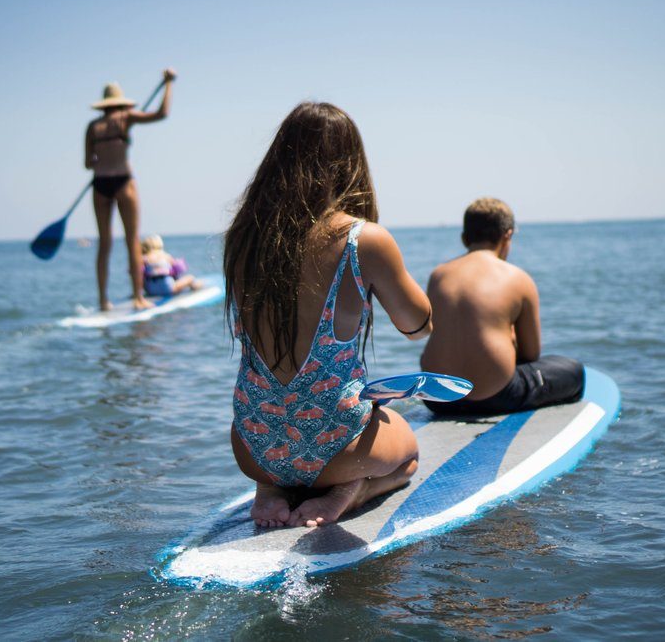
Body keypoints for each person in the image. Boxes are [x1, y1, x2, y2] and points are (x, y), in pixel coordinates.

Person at [224, 102, 433, 528]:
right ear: (349, 165)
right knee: (408, 454)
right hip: (340, 452)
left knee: (281, 415)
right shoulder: (362, 239)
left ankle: (271, 490)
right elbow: (417, 327)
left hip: (253, 449)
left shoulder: (243, 238)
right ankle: (351, 491)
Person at [420, 197, 584, 416]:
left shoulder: (438, 275)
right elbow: (531, 354)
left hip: (437, 399)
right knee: (574, 371)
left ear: (464, 238)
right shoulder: (518, 278)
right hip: (496, 397)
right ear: (507, 236)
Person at [85, 70, 176, 311]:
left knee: (104, 244)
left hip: (100, 184)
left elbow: (87, 163)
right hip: (123, 182)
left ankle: (103, 301)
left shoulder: (93, 127)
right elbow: (161, 114)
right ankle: (138, 297)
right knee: (132, 241)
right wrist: (168, 84)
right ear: (120, 102)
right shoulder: (126, 117)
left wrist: (102, 157)